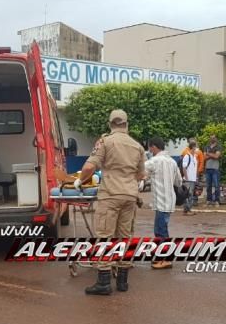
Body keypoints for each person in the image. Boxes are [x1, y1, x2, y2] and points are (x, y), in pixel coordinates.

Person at [75, 110, 145, 295]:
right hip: (130, 196)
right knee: (125, 237)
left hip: (110, 195)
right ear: (126, 123)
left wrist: (79, 181)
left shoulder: (105, 142)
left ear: (110, 124)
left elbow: (90, 166)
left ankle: (104, 283)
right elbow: (141, 175)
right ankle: (122, 282)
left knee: (105, 237)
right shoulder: (137, 146)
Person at [144, 137, 182, 270]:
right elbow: (179, 182)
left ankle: (165, 259)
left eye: (150, 148)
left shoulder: (153, 161)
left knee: (160, 232)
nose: (150, 150)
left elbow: (140, 174)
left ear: (154, 147)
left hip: (160, 202)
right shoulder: (172, 162)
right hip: (170, 201)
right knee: (162, 230)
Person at [181, 139, 199, 216]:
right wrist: (187, 178)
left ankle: (189, 209)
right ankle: (186, 210)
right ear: (193, 147)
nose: (197, 149)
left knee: (190, 195)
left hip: (193, 179)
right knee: (188, 195)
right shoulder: (187, 156)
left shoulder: (194, 157)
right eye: (196, 147)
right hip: (188, 179)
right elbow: (184, 167)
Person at [204, 136, 221, 206]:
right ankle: (209, 200)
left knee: (216, 186)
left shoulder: (218, 147)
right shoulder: (206, 147)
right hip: (208, 168)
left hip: (215, 168)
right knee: (208, 186)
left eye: (214, 138)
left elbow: (217, 156)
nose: (212, 139)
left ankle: (217, 201)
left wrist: (208, 154)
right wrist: (213, 155)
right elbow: (204, 157)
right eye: (211, 138)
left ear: (216, 139)